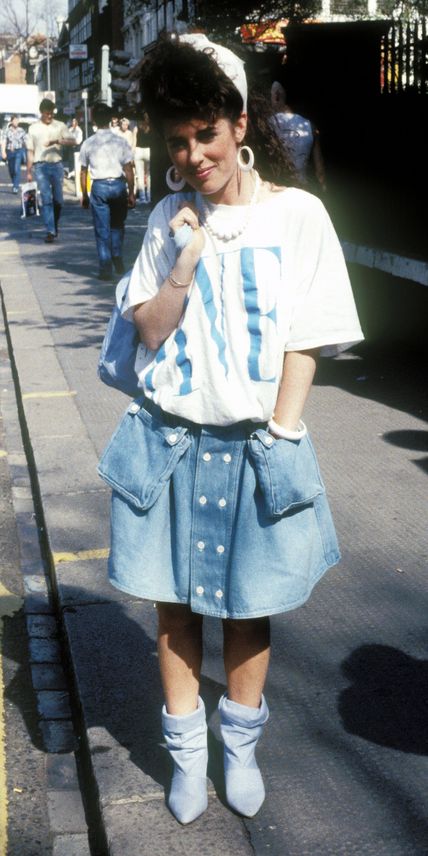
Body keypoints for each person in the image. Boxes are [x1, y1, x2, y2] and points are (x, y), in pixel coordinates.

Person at [97, 35, 363, 825]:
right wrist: (183, 256)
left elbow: (305, 335)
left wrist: (282, 434)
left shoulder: (297, 215)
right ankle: (187, 759)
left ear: (240, 124)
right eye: (176, 140)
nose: (193, 154)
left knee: (249, 609)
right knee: (173, 609)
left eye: (205, 133)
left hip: (257, 442)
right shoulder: (166, 217)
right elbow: (147, 332)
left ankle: (238, 752)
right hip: (170, 441)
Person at [79, 102, 135, 281]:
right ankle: (117, 256)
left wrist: (85, 194)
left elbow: (83, 171)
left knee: (101, 229)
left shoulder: (88, 143)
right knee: (117, 225)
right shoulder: (121, 142)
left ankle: (105, 268)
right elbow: (128, 169)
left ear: (93, 119)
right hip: (118, 186)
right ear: (111, 119)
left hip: (99, 187)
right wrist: (132, 192)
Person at [25, 98, 75, 243]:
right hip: (40, 166)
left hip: (57, 165)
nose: (50, 116)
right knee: (46, 199)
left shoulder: (59, 126)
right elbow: (30, 151)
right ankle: (50, 230)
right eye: (47, 114)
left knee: (58, 200)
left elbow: (73, 141)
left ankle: (54, 224)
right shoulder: (33, 128)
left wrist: (57, 141)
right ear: (41, 112)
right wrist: (28, 171)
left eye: (52, 113)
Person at [271, 80, 327, 193]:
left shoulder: (266, 124)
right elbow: (319, 171)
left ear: (277, 95)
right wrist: (324, 190)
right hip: (301, 191)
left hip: (274, 191)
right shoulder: (310, 126)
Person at [1, 115, 27, 193]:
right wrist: (3, 152)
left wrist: (28, 151)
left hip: (19, 151)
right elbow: (4, 141)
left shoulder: (21, 130)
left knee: (16, 169)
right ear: (11, 121)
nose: (16, 122)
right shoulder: (7, 131)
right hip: (9, 152)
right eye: (15, 120)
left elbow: (26, 141)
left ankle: (15, 186)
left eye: (17, 120)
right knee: (11, 170)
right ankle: (14, 182)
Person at [133, 112, 152, 203]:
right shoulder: (150, 128)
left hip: (138, 150)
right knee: (149, 175)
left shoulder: (137, 127)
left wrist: (132, 152)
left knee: (140, 176)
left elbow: (134, 140)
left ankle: (142, 198)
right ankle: (149, 196)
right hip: (148, 150)